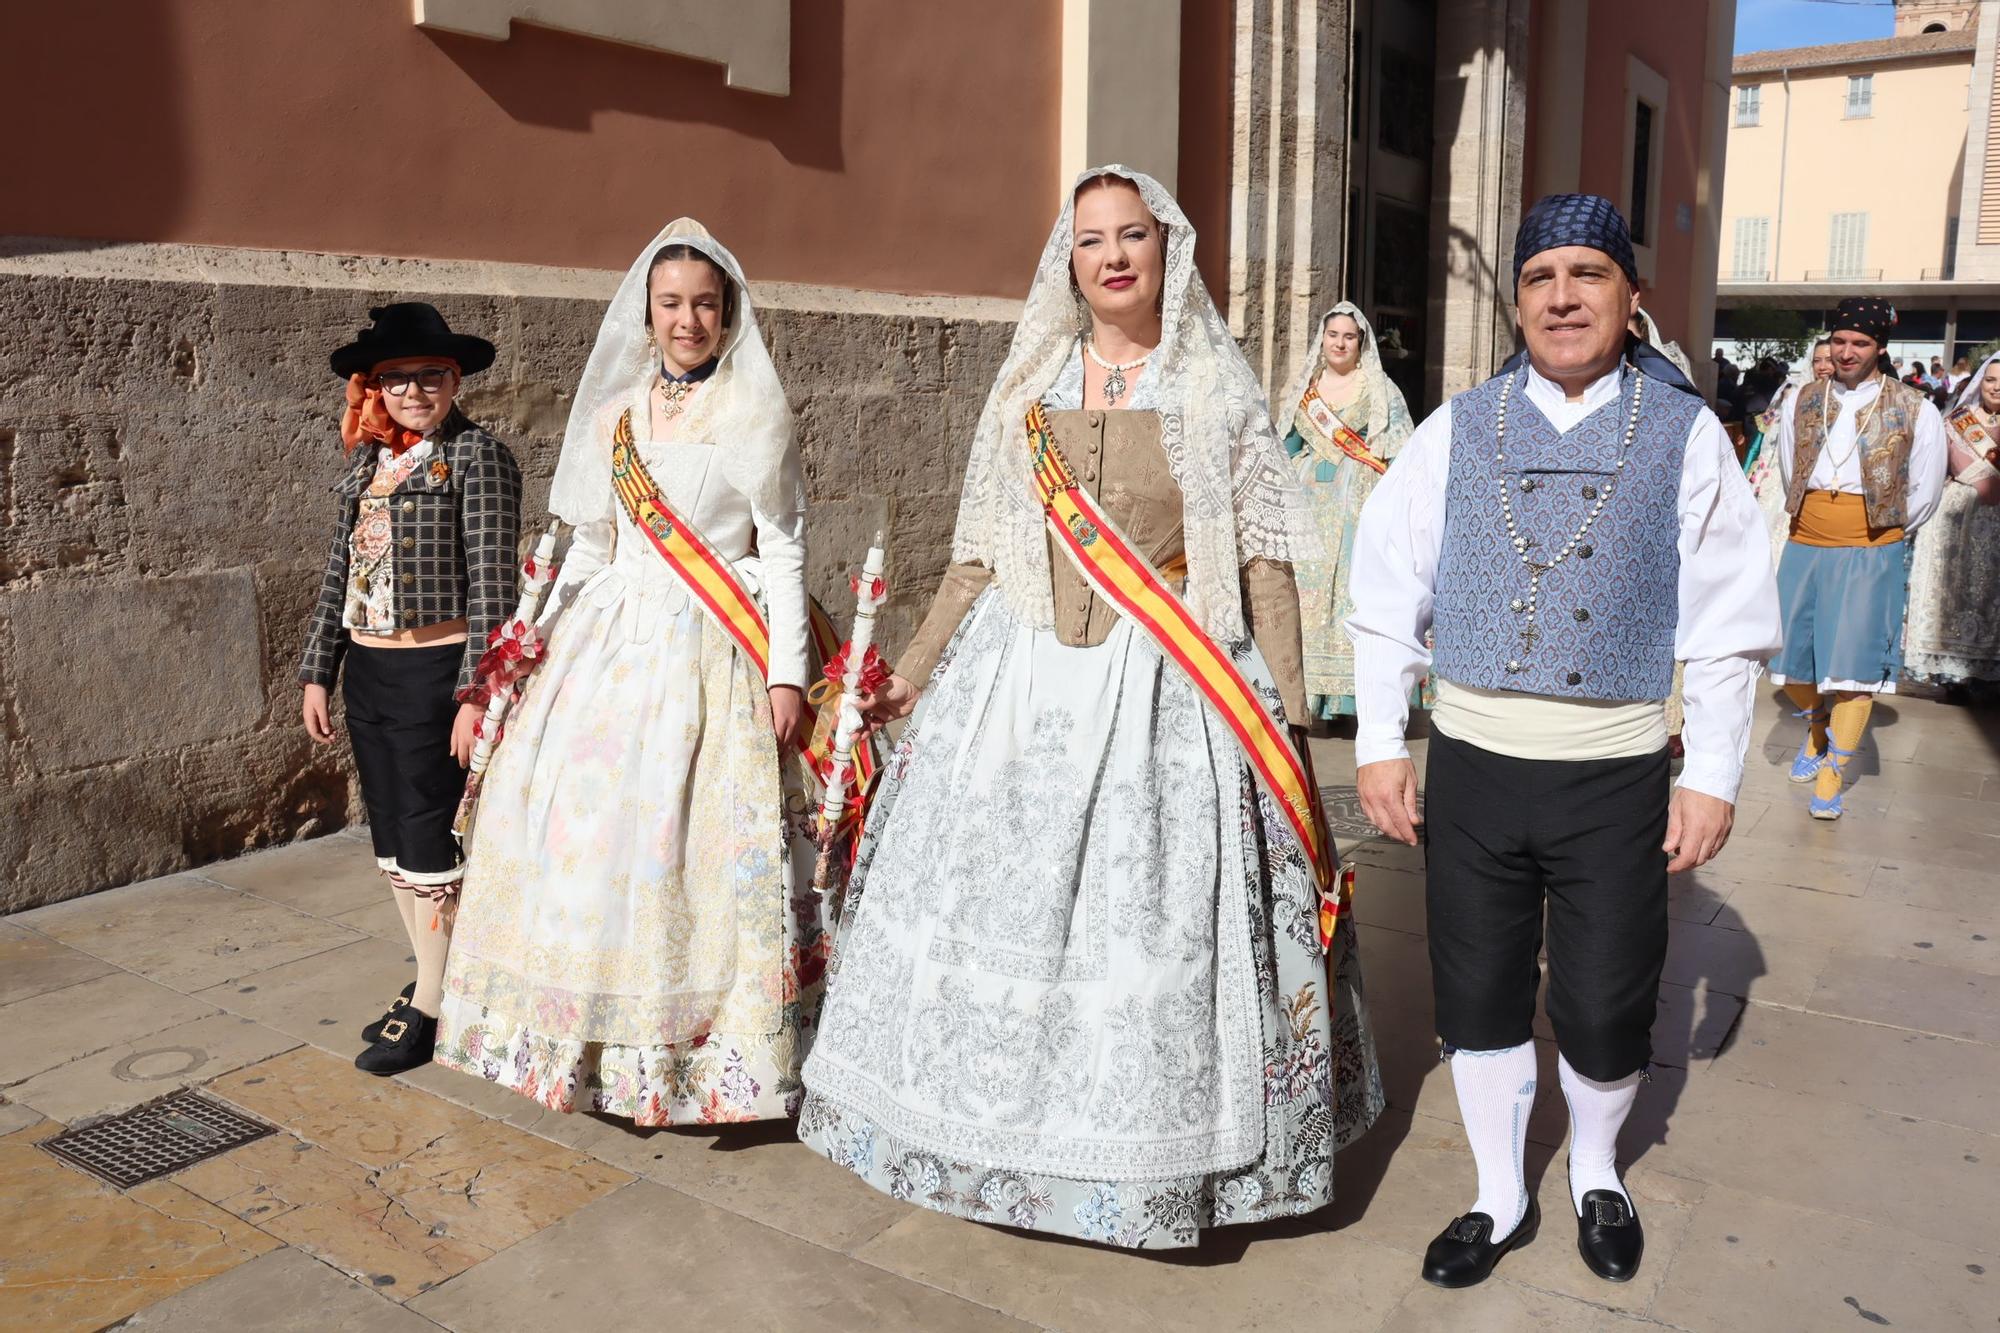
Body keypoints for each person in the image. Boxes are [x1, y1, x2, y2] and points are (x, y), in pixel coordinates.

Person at [797, 166, 1383, 1249]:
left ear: (1168, 251)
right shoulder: (1028, 385)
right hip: (1018, 679)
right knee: (994, 907)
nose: (1110, 256)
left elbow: (1260, 567)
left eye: (1131, 237)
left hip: (1168, 682)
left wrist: (1290, 724)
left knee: (1151, 924)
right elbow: (979, 555)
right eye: (1087, 242)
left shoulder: (1212, 386)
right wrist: (914, 672)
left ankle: (1161, 1164)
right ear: (1064, 263)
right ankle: (987, 1139)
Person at [1349, 194, 1780, 1289]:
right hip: (1477, 769)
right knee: (1478, 990)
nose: (1560, 297)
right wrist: (1380, 741)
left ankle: (1595, 1169)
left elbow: (1730, 619)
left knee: (1603, 997)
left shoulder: (1685, 434)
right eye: (1539, 279)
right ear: (1516, 300)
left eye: (1586, 275)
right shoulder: (1455, 425)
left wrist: (1715, 771)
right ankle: (1497, 1193)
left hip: (1615, 775)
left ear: (1629, 298)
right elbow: (1385, 590)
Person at [434, 219, 831, 1124]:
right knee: (578, 834)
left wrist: (786, 673)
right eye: (670, 304)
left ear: (726, 315)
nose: (686, 320)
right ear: (646, 316)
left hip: (712, 646)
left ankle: (695, 1063)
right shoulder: (615, 416)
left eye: (703, 304)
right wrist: (535, 648)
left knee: (684, 850)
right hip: (611, 641)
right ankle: (585, 1047)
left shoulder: (754, 410)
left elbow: (783, 549)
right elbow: (588, 546)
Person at [299, 303, 523, 1075]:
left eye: (430, 375)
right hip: (370, 673)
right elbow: (338, 575)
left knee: (431, 834)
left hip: (437, 670)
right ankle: (434, 972)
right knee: (393, 835)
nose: (414, 390)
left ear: (455, 379)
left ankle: (430, 1001)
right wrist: (317, 671)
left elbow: (495, 586)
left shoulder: (477, 457)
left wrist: (475, 692)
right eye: (397, 378)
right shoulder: (368, 465)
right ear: (376, 388)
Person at [1771, 298, 1948, 819]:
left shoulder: (1916, 407)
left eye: (1860, 344)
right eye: (1841, 342)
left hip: (1871, 543)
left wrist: (1881, 528)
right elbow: (1788, 468)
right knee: (1785, 654)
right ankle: (1818, 730)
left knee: (1854, 666)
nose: (1847, 352)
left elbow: (1925, 488)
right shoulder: (1803, 399)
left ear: (1881, 349)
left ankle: (1832, 773)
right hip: (1806, 537)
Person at [1276, 302, 1419, 722]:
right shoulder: (1306, 387)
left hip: (1358, 501)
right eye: (1333, 335)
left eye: (1349, 336)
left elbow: (1400, 447)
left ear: (1361, 344)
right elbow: (1287, 444)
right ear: (1322, 340)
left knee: (1354, 588)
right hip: (1307, 501)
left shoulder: (1379, 389)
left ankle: (1351, 697)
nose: (1340, 343)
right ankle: (1307, 692)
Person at [1903, 350, 2000, 700]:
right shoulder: (1958, 421)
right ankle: (1953, 672)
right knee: (1955, 594)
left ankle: (1990, 673)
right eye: (1990, 380)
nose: (1996, 388)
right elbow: (1940, 465)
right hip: (1958, 520)